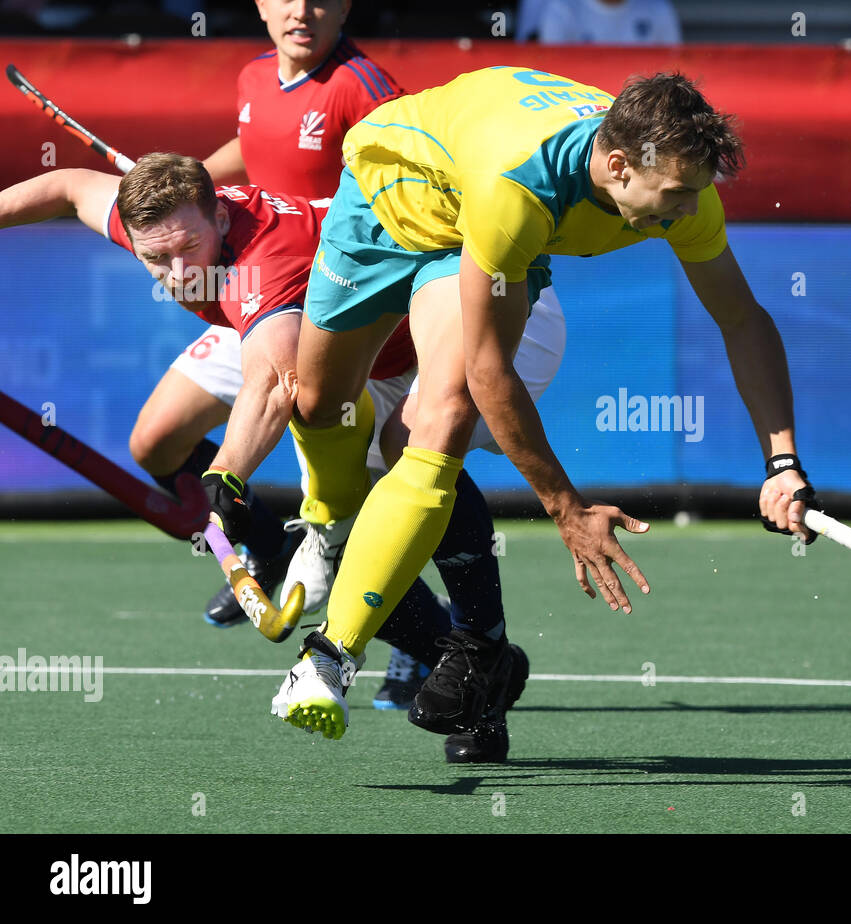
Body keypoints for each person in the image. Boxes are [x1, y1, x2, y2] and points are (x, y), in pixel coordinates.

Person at [271, 67, 818, 741]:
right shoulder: (519, 186)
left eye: (693, 194)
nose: (685, 212)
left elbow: (742, 320)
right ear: (618, 165)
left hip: (473, 243)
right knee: (320, 404)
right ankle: (328, 529)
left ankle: (329, 659)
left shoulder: (683, 193)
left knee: (435, 421)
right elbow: (493, 370)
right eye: (673, 196)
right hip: (390, 198)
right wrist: (567, 508)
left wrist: (783, 461)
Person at [0, 154, 563, 761]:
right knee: (343, 522)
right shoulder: (167, 230)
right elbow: (65, 185)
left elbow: (274, 380)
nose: (177, 272)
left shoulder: (259, 264)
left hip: (488, 311)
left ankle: (481, 656)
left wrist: (228, 475)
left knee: (412, 449)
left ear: (220, 214)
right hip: (357, 339)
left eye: (187, 247)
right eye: (154, 259)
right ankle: (476, 667)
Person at [122, 0, 461, 714]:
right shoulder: (253, 79)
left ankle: (424, 642)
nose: (301, 11)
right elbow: (250, 155)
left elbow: (404, 179)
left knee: (368, 498)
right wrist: (184, 193)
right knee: (155, 440)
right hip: (252, 288)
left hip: (333, 307)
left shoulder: (361, 86)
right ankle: (267, 546)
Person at [532, 0, 681, 44]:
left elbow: (672, 62)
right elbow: (553, 70)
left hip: (642, 109)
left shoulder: (658, 8)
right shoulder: (562, 9)